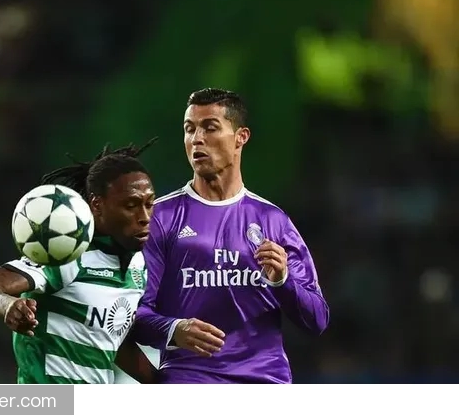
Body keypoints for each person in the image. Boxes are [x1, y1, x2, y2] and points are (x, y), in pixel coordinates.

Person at [131, 88, 329, 384]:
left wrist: (282, 281)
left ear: (241, 137)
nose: (197, 139)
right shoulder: (161, 219)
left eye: (210, 128)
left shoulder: (273, 221)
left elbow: (317, 320)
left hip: (264, 381)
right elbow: (130, 314)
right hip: (191, 381)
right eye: (189, 129)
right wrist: (173, 329)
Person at [0, 140, 159, 384]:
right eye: (131, 205)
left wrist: (166, 383)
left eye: (149, 204)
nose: (144, 217)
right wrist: (7, 305)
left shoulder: (138, 265)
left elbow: (110, 340)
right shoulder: (67, 254)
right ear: (97, 205)